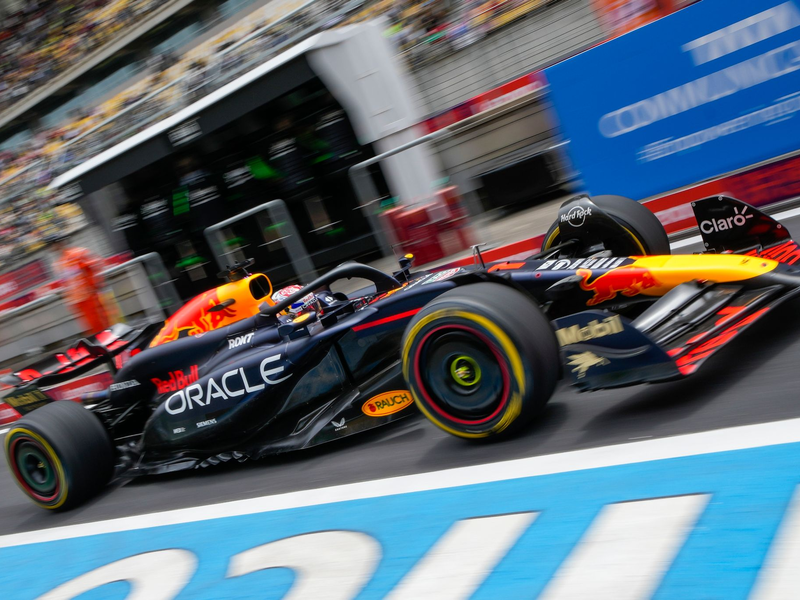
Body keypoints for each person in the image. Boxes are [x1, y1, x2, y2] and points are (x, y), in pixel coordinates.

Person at [49, 233, 111, 334]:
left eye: (54, 244)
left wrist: (94, 285)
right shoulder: (58, 263)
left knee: (102, 324)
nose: (53, 247)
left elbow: (96, 265)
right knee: (92, 328)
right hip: (78, 301)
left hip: (90, 296)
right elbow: (65, 283)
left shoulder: (77, 253)